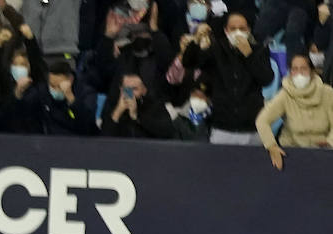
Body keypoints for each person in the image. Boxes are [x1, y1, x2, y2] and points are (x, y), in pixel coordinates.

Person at [181, 13, 273, 144]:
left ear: (248, 30)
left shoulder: (259, 50)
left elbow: (267, 79)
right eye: (233, 28)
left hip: (252, 128)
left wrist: (249, 55)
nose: (238, 32)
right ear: (226, 31)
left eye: (242, 28)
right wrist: (196, 41)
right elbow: (189, 63)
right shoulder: (216, 49)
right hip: (222, 127)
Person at [100, 70, 177, 136]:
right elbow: (104, 138)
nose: (130, 93)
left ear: (144, 90)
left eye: (134, 89)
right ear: (120, 88)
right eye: (126, 89)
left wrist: (136, 117)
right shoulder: (113, 104)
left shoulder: (154, 104)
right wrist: (117, 113)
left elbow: (168, 131)